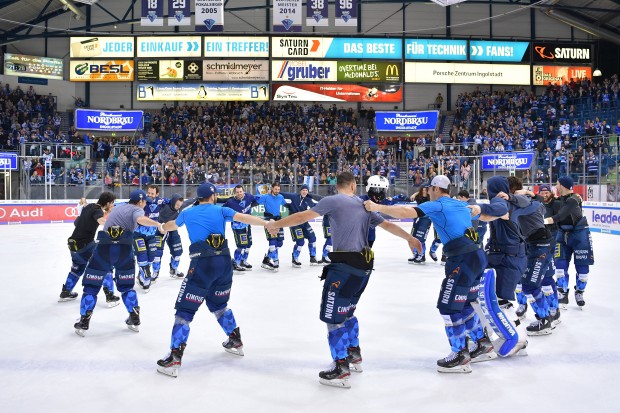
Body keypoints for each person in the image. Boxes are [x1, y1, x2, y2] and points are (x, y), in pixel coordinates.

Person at [266, 172, 420, 388]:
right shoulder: (365, 204)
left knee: (333, 317)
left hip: (344, 267)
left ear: (338, 185)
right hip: (363, 269)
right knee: (347, 312)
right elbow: (387, 225)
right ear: (354, 185)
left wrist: (277, 225)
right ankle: (353, 353)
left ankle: (341, 366)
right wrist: (410, 238)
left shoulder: (332, 200)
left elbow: (302, 217)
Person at [365, 176, 494, 373]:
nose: (427, 192)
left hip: (462, 259)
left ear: (435, 188)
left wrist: (376, 207)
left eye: (429, 189)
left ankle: (460, 354)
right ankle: (482, 342)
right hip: (477, 256)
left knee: (448, 307)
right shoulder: (460, 204)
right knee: (466, 303)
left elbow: (407, 211)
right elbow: (483, 216)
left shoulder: (438, 205)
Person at [156, 183, 271, 377]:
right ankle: (235, 339)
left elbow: (170, 225)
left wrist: (160, 227)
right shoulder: (221, 210)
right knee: (219, 305)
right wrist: (268, 224)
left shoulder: (188, 213)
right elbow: (244, 218)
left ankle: (174, 357)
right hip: (224, 265)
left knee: (184, 311)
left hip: (202, 265)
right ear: (213, 196)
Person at [73, 189, 164, 336]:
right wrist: (157, 224)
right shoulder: (137, 211)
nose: (146, 203)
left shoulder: (119, 207)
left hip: (104, 248)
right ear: (140, 201)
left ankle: (84, 321)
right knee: (127, 287)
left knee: (91, 286)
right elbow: (140, 220)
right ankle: (134, 318)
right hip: (124, 251)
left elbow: (105, 218)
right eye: (145, 201)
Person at [497, 177, 556, 335]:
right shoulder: (524, 198)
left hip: (541, 244)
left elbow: (529, 203)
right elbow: (540, 207)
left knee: (530, 284)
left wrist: (515, 196)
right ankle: (547, 314)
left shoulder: (522, 199)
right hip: (534, 243)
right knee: (528, 281)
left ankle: (545, 320)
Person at [59, 192, 119, 307]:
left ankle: (66, 292)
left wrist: (83, 199)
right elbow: (100, 220)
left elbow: (85, 206)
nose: (112, 205)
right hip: (85, 246)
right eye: (112, 203)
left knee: (77, 268)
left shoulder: (90, 206)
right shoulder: (97, 211)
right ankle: (110, 296)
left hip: (73, 245)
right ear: (107, 203)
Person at [543, 176, 594, 309]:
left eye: (557, 184)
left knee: (583, 269)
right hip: (562, 234)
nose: (556, 186)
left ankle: (579, 292)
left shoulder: (573, 199)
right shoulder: (560, 199)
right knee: (559, 266)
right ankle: (562, 293)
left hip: (580, 235)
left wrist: (542, 222)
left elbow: (560, 216)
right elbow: (545, 201)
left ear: (563, 186)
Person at [218, 185, 261, 272]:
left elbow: (257, 200)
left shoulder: (249, 197)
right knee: (241, 245)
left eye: (240, 191)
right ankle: (236, 263)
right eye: (237, 192)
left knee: (249, 244)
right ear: (235, 192)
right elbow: (222, 209)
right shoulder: (230, 202)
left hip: (247, 224)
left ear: (243, 191)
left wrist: (252, 206)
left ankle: (243, 261)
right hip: (237, 226)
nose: (239, 193)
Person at [133, 185, 168, 291]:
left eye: (152, 193)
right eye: (148, 192)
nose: (149, 195)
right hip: (138, 234)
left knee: (151, 258)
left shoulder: (160, 202)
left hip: (152, 235)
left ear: (157, 194)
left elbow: (173, 203)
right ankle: (145, 279)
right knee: (142, 256)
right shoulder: (142, 201)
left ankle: (141, 274)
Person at [281, 184, 321, 267]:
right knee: (300, 241)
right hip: (293, 222)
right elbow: (283, 194)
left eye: (306, 190)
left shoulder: (308, 199)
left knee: (312, 238)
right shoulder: (294, 196)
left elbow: (315, 207)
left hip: (304, 221)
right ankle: (295, 258)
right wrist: (272, 192)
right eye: (303, 190)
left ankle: (312, 257)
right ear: (300, 191)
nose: (305, 192)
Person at [257, 182, 287, 271]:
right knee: (272, 241)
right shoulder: (266, 197)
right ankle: (276, 261)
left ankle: (266, 260)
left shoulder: (281, 197)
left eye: (278, 189)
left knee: (280, 243)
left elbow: (285, 204)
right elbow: (256, 199)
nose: (277, 191)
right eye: (275, 189)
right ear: (272, 189)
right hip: (269, 221)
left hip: (278, 221)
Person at [157, 193, 187, 279]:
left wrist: (198, 198)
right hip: (160, 230)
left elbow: (190, 201)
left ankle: (174, 270)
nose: (178, 206)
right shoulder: (164, 206)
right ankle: (154, 273)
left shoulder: (180, 206)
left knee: (178, 252)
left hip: (172, 230)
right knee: (156, 254)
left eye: (180, 205)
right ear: (173, 202)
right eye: (177, 204)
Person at [408, 186, 432, 264]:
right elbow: (412, 197)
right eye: (423, 190)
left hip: (426, 219)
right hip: (417, 218)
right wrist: (414, 194)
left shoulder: (431, 198)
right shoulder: (419, 197)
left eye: (426, 190)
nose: (424, 191)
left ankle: (421, 255)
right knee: (413, 237)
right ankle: (416, 254)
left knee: (421, 238)